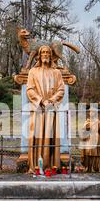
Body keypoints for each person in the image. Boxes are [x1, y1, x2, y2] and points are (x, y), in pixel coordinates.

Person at [26, 45, 65, 173]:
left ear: (51, 55)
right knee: (36, 136)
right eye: (43, 52)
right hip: (38, 108)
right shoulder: (33, 71)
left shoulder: (56, 72)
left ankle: (50, 165)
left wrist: (52, 100)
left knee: (51, 136)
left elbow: (61, 89)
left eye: (48, 53)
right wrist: (41, 100)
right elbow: (30, 89)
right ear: (39, 55)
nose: (45, 55)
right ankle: (36, 165)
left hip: (51, 108)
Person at [79, 107, 100, 172]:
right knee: (87, 152)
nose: (91, 113)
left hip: (96, 138)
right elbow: (82, 131)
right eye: (90, 112)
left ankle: (94, 167)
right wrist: (85, 128)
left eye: (93, 112)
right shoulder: (87, 121)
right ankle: (88, 167)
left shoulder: (98, 122)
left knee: (94, 153)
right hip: (88, 138)